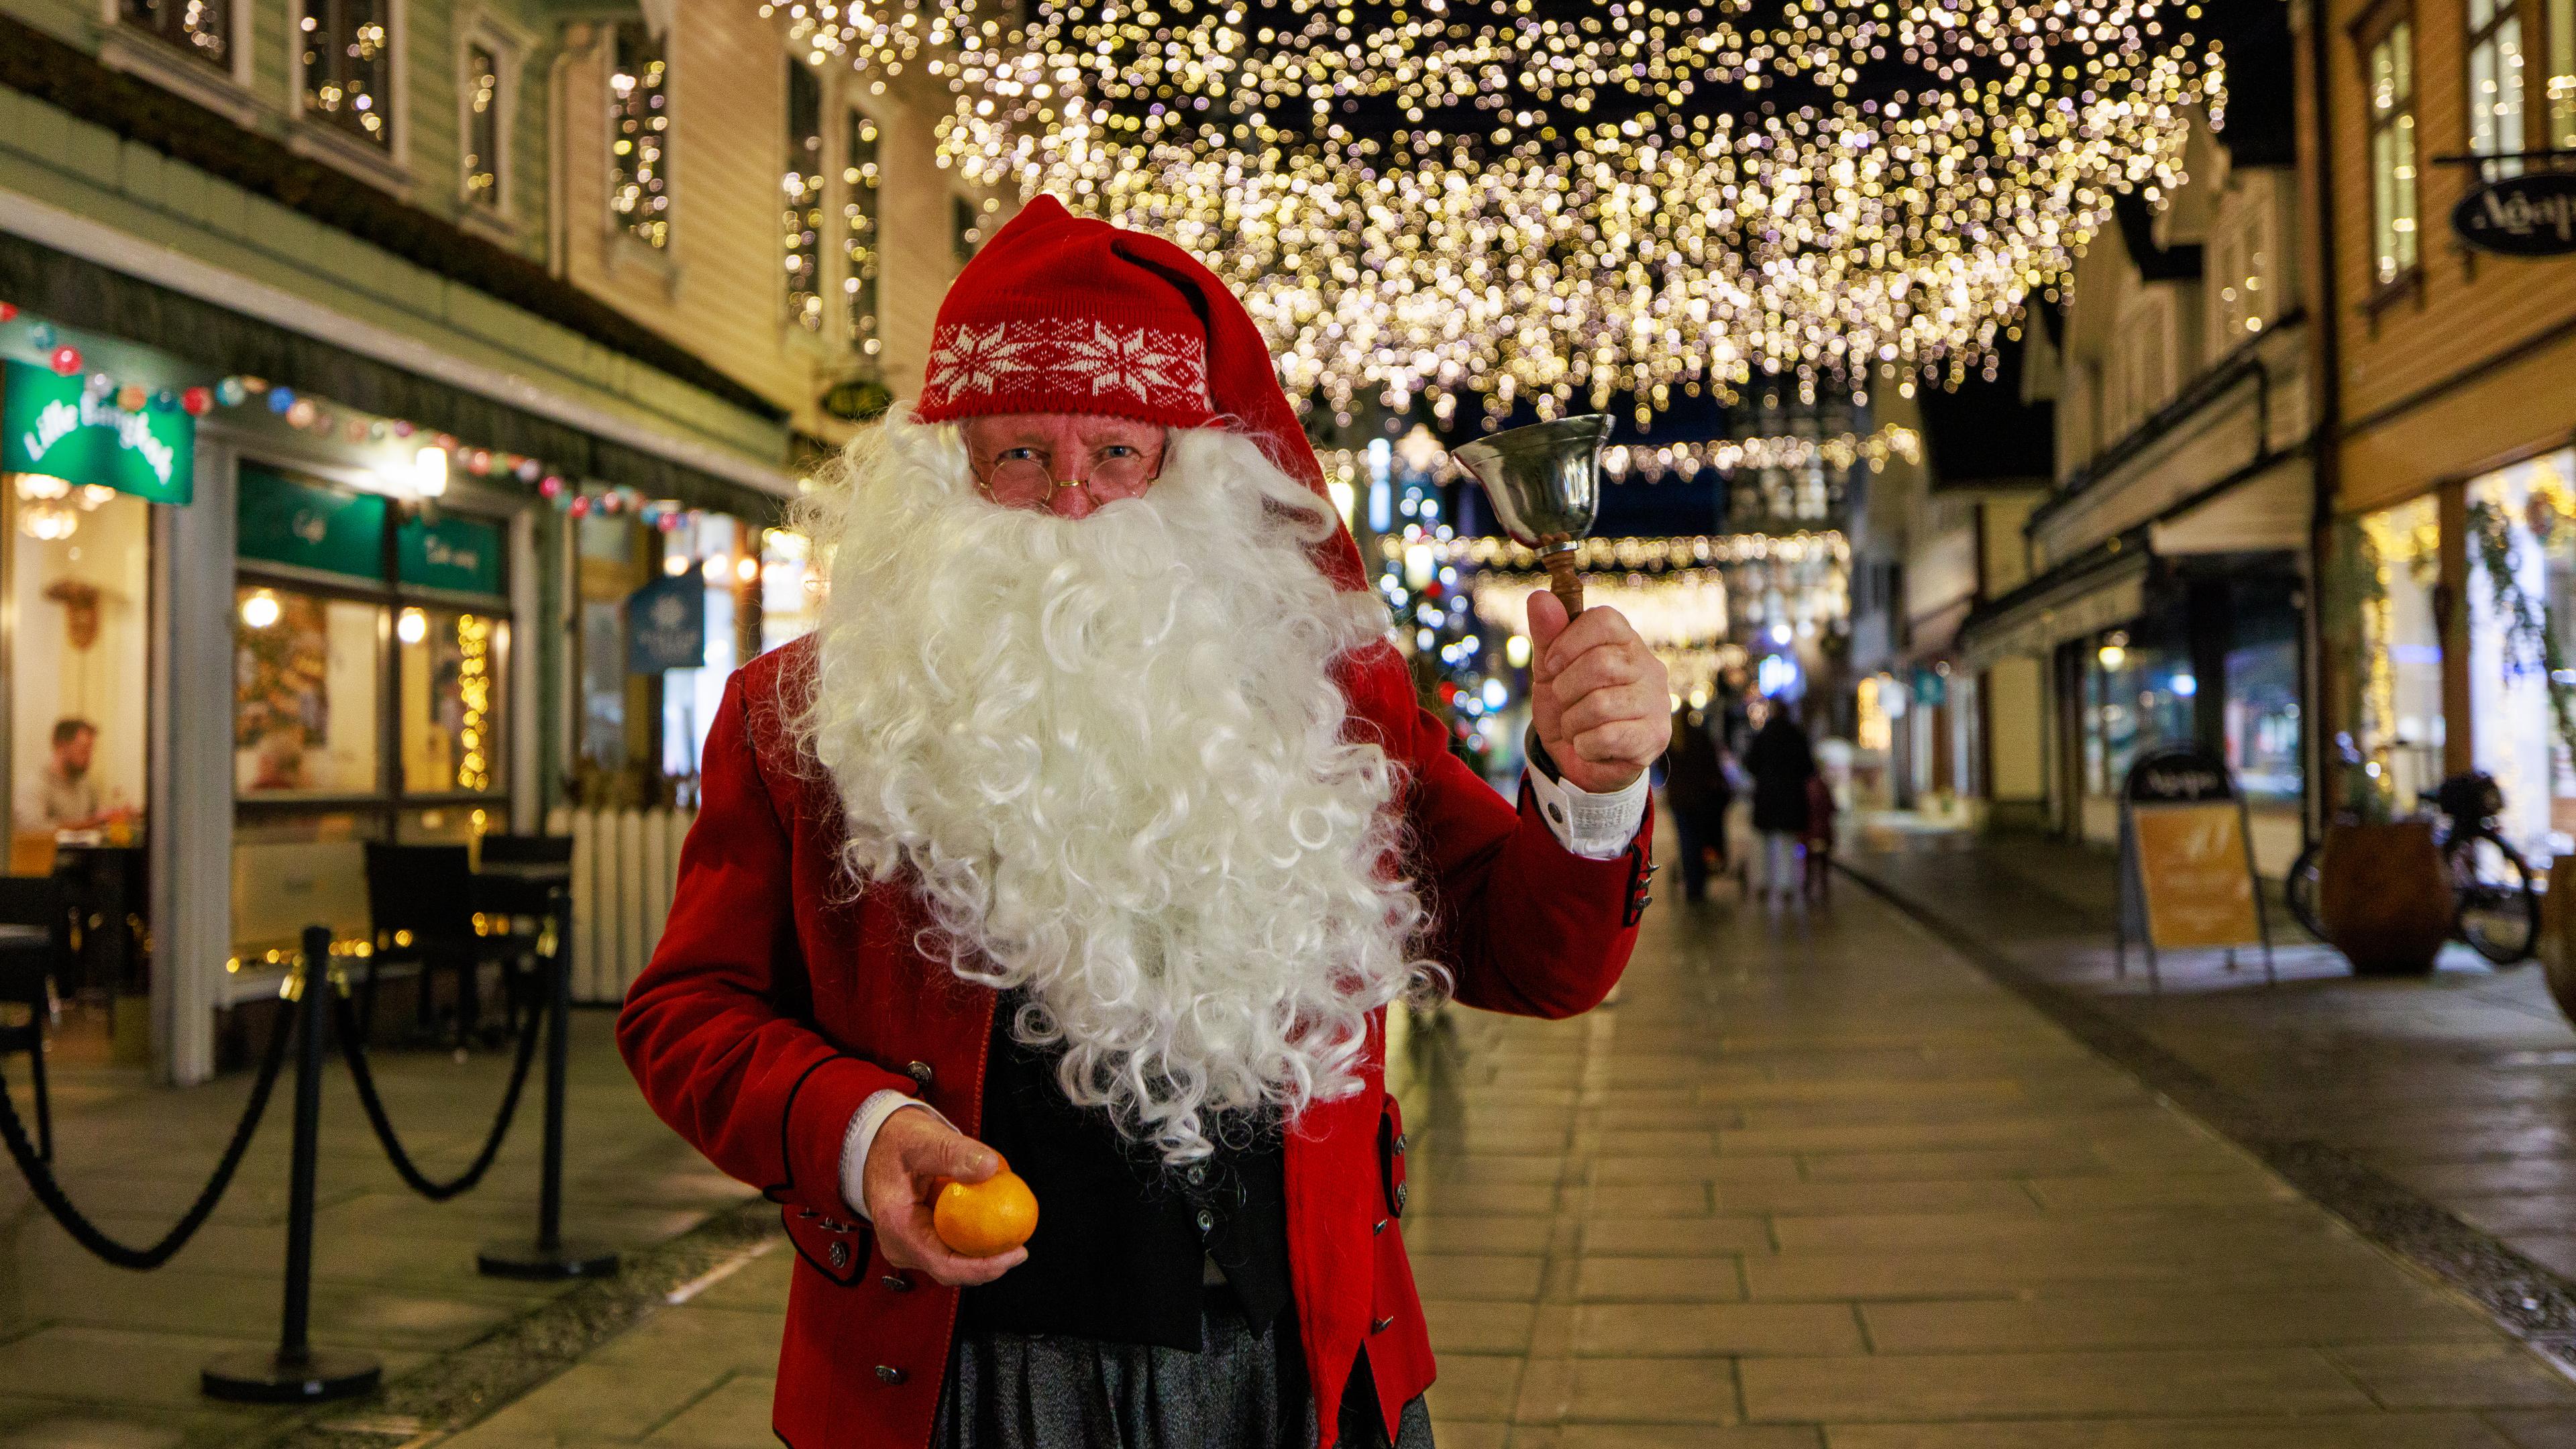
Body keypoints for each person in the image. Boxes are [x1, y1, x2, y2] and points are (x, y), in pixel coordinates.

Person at [616, 196, 1672, 1449]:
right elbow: (684, 1016)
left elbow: (1532, 959)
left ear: (1193, 477)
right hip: (961, 1386)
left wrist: (1591, 783)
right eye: (1019, 456)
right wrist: (860, 1132)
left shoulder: (1331, 696)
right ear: (945, 477)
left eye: (1117, 454)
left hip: (1295, 1371)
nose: (1071, 507)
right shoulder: (800, 717)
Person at [1743, 700, 1817, 906]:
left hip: (1766, 797)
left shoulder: (1763, 736)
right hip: (1790, 797)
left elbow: (1750, 764)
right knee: (1787, 842)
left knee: (1763, 841)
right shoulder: (1797, 736)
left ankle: (1763, 883)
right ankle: (1786, 885)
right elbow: (1808, 768)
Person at [1661, 704, 1732, 903]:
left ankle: (1692, 884)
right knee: (1699, 839)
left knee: (1686, 841)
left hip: (1678, 800)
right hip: (1700, 799)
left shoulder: (1672, 742)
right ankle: (1698, 883)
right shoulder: (1699, 737)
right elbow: (1712, 765)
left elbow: (1662, 767)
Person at [1802, 770, 1837, 904]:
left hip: (1808, 834)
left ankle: (1808, 886)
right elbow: (1832, 808)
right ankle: (1824, 886)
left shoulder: (1804, 788)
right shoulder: (1823, 787)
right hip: (1823, 832)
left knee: (1808, 860)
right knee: (1823, 860)